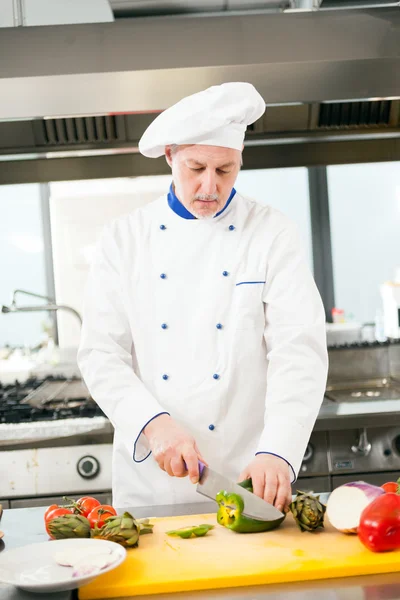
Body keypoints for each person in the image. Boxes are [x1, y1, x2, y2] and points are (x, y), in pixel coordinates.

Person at [77, 82, 328, 512]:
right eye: (196, 168)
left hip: (247, 472)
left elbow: (298, 350)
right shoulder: (124, 239)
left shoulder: (271, 233)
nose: (210, 186)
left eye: (225, 170)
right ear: (171, 155)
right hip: (151, 480)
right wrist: (152, 424)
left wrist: (279, 450)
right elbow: (100, 354)